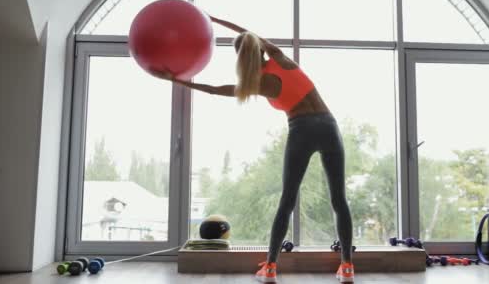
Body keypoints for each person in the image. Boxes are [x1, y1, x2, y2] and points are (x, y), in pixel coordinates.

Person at [152, 16, 355, 283]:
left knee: (287, 201)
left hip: (301, 130)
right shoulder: (281, 58)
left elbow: (214, 89)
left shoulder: (256, 83)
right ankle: (348, 267)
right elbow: (249, 33)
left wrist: (175, 80)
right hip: (329, 127)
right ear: (259, 46)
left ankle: (270, 267)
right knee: (339, 200)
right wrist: (213, 18)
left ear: (240, 59)